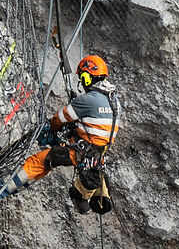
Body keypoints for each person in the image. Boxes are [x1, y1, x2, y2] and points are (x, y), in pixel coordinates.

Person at [9, 54, 121, 213]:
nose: (81, 82)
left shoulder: (89, 100)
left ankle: (0, 189)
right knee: (52, 159)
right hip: (96, 155)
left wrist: (50, 130)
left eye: (82, 78)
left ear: (87, 77)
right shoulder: (114, 101)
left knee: (42, 161)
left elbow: (59, 119)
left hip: (81, 153)